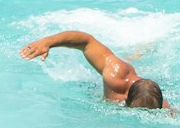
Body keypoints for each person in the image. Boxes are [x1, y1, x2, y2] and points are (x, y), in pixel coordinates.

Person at [20, 30, 168, 109]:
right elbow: (86, 42)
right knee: (125, 63)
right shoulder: (115, 76)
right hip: (122, 72)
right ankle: (140, 51)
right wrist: (47, 42)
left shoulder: (161, 106)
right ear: (126, 99)